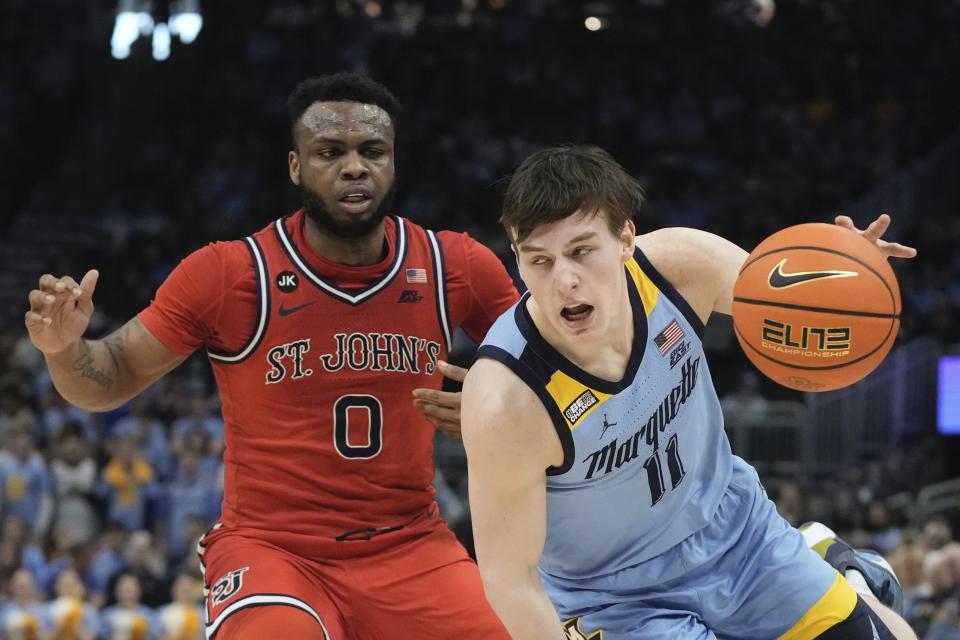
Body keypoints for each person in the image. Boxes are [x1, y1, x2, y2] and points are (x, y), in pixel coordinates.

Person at [24, 73, 518, 639]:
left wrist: (497, 405)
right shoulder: (229, 272)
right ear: (295, 167)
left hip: (409, 542)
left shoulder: (454, 264)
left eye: (372, 151)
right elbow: (111, 377)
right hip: (272, 548)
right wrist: (64, 349)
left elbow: (549, 368)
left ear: (393, 163)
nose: (354, 167)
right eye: (329, 152)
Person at [461, 144, 919, 639]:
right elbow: (510, 581)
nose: (564, 280)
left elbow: (785, 301)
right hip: (612, 597)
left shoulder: (680, 268)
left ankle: (842, 575)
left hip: (738, 534)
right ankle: (840, 571)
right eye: (539, 261)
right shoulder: (507, 400)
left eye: (581, 251)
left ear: (625, 239)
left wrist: (850, 274)